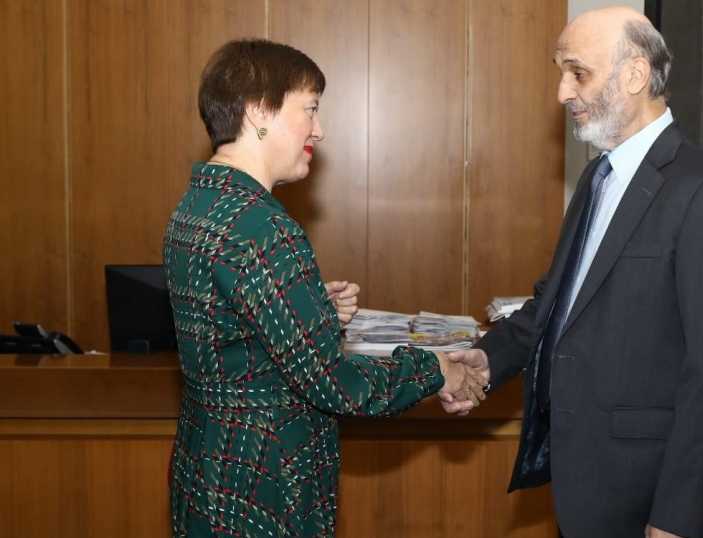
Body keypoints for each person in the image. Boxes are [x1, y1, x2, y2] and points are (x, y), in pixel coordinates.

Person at [441, 7, 703, 538]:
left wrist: (678, 515)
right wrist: (490, 359)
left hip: (646, 493)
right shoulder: (596, 178)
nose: (562, 92)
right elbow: (558, 302)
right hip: (583, 482)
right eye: (562, 72)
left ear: (634, 74)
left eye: (577, 73)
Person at [163, 39, 485, 538]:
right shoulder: (263, 226)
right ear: (258, 111)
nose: (320, 129)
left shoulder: (198, 206)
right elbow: (337, 385)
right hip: (262, 483)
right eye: (310, 109)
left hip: (207, 472)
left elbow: (229, 341)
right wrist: (435, 369)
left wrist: (313, 313)